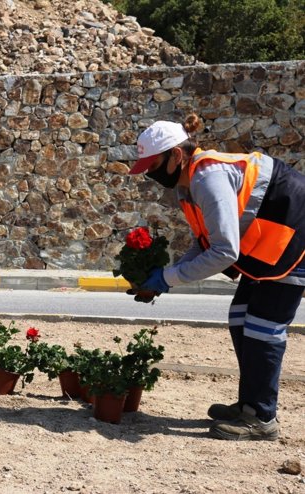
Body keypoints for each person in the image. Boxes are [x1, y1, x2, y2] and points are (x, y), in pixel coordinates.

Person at [128, 114, 305, 441]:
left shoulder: (207, 178)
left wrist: (168, 278)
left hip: (292, 240)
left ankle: (262, 418)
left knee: (263, 329)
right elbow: (205, 241)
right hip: (267, 246)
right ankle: (250, 406)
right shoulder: (188, 185)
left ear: (176, 156)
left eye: (154, 166)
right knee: (240, 319)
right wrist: (166, 277)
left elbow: (224, 252)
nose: (151, 174)